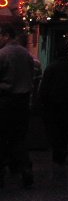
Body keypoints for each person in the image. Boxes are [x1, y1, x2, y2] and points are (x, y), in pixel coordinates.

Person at [0, 24, 35, 188]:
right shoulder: (25, 53)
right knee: (19, 137)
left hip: (6, 101)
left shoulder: (3, 54)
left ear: (6, 35)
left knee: (3, 136)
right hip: (23, 101)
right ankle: (25, 168)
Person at [39, 48, 68, 165]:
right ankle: (62, 149)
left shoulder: (51, 68)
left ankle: (57, 152)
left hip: (53, 104)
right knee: (66, 128)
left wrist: (42, 102)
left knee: (54, 128)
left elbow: (44, 88)